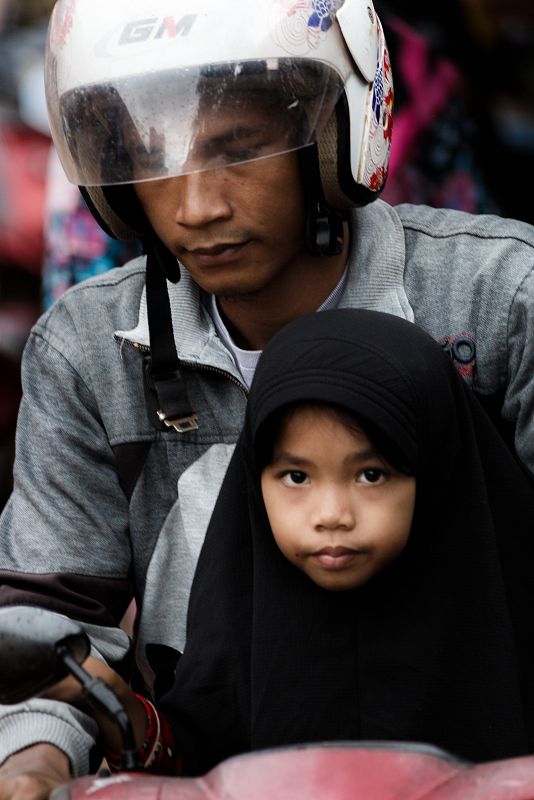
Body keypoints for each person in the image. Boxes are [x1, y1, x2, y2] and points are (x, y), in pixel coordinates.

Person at [1, 0, 534, 795]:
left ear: (333, 140)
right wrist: (34, 760)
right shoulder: (86, 349)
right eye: (152, 158)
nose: (197, 208)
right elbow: (51, 630)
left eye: (241, 149)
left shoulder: (501, 298)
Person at [50, 308, 534, 776]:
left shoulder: (508, 627)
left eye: (371, 474)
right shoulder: (238, 626)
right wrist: (111, 701)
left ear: (432, 472)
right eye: (296, 477)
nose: (332, 515)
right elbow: (190, 763)